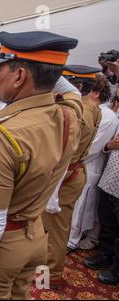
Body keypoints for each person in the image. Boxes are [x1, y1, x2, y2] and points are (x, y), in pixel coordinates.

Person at [0, 30, 81, 300]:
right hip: (35, 233)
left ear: (19, 75)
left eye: (1, 68)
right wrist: (47, 69)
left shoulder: (3, 135)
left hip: (2, 244)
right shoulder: (68, 115)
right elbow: (72, 93)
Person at [43, 68, 111, 289]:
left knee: (55, 229)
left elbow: (62, 151)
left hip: (64, 175)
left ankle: (50, 276)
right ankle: (49, 270)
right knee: (58, 226)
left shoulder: (75, 111)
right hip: (76, 171)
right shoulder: (95, 109)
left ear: (78, 87)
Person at [67, 72, 119, 251]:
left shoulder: (107, 116)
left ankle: (72, 240)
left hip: (87, 165)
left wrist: (69, 158)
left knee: (81, 206)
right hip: (74, 163)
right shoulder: (87, 110)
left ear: (96, 93)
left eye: (85, 90)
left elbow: (92, 147)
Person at [83, 127, 119, 285]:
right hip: (110, 179)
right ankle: (105, 254)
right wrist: (109, 146)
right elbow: (108, 145)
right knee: (107, 221)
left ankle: (117, 268)